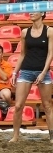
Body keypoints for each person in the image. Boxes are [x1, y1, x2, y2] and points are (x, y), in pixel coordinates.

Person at [10, 12, 53, 143]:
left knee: (47, 106)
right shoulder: (25, 32)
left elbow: (51, 54)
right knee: (18, 106)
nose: (31, 13)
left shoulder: (49, 31)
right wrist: (14, 72)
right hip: (26, 70)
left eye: (35, 11)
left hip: (43, 71)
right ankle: (15, 136)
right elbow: (22, 54)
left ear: (42, 14)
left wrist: (43, 72)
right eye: (31, 11)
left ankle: (52, 137)